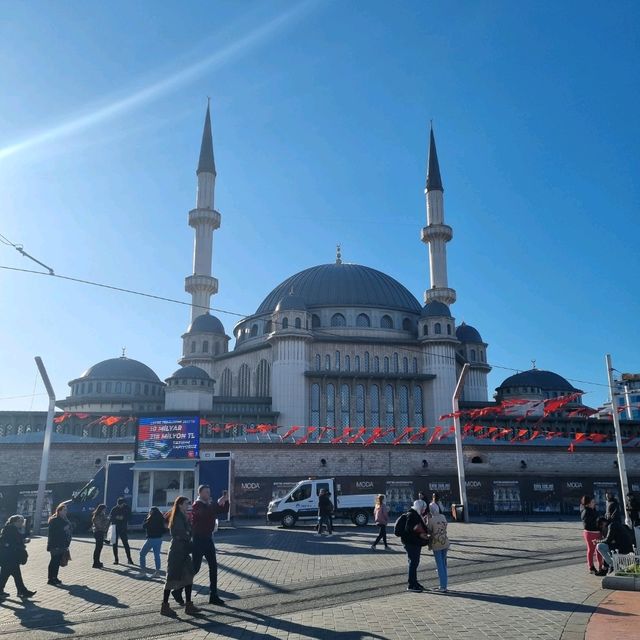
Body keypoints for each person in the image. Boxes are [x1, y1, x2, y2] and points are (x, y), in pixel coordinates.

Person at [191, 485, 230, 605]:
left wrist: (226, 500)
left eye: (209, 492)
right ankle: (178, 589)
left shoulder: (209, 505)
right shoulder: (196, 505)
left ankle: (213, 595)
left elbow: (223, 510)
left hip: (208, 539)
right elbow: (204, 513)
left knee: (213, 567)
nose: (209, 494)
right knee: (195, 568)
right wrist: (216, 504)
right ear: (200, 493)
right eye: (206, 492)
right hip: (198, 540)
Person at [162, 496, 197, 616]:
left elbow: (189, 531)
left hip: (184, 550)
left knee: (189, 575)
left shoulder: (184, 516)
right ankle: (165, 606)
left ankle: (188, 605)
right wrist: (188, 534)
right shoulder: (176, 517)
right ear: (180, 504)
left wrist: (189, 533)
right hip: (177, 550)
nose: (188, 506)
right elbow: (182, 533)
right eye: (187, 503)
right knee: (171, 578)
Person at [0, 515, 36, 599]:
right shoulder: (11, 528)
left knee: (6, 575)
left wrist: (23, 540)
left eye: (23, 521)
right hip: (9, 556)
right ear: (15, 521)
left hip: (8, 557)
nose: (22, 523)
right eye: (21, 521)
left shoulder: (10, 528)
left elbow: (15, 539)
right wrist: (25, 536)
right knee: (14, 575)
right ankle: (22, 591)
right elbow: (16, 539)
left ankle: (21, 591)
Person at [400, 499, 429, 592]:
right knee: (413, 563)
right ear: (420, 507)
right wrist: (420, 534)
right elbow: (408, 530)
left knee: (414, 563)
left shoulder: (415, 514)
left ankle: (414, 582)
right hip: (411, 543)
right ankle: (411, 584)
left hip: (413, 542)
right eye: (423, 508)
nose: (424, 510)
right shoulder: (412, 515)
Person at [426, 502, 450, 592]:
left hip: (436, 544)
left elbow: (428, 531)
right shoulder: (443, 517)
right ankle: (445, 584)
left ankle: (443, 586)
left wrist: (428, 520)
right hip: (445, 542)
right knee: (443, 564)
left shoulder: (431, 520)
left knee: (439, 565)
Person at [47, 503, 72, 585]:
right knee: (54, 561)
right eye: (64, 510)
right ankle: (50, 579)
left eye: (66, 510)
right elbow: (53, 533)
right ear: (59, 511)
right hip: (55, 543)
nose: (66, 512)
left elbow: (70, 528)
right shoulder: (54, 520)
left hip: (62, 543)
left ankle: (55, 577)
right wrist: (64, 529)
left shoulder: (65, 519)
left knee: (58, 561)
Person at [139, 507, 167, 578]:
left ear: (152, 512)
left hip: (151, 539)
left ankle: (143, 572)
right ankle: (157, 572)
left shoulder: (150, 519)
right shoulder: (161, 518)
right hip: (159, 539)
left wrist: (147, 518)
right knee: (157, 556)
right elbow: (165, 529)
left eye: (150, 511)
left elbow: (144, 526)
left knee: (142, 553)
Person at [579, 495, 603, 575]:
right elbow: (587, 525)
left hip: (597, 532)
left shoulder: (593, 510)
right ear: (588, 503)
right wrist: (598, 524)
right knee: (591, 550)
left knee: (599, 550)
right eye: (593, 502)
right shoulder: (586, 511)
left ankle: (601, 566)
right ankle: (591, 567)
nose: (594, 503)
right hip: (591, 533)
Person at [110, 497, 133, 565]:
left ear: (123, 503)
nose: (119, 506)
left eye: (121, 504)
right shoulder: (114, 509)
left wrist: (123, 518)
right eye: (118, 504)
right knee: (114, 544)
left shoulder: (127, 508)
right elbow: (110, 517)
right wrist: (116, 517)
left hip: (123, 528)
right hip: (115, 528)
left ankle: (129, 559)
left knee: (126, 544)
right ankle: (116, 559)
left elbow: (130, 517)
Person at [91, 504, 109, 568]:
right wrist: (107, 520)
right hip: (98, 532)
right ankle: (95, 562)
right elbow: (100, 526)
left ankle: (97, 561)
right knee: (98, 548)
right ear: (101, 509)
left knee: (99, 547)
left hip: (100, 532)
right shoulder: (97, 516)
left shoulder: (102, 515)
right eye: (104, 509)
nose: (105, 511)